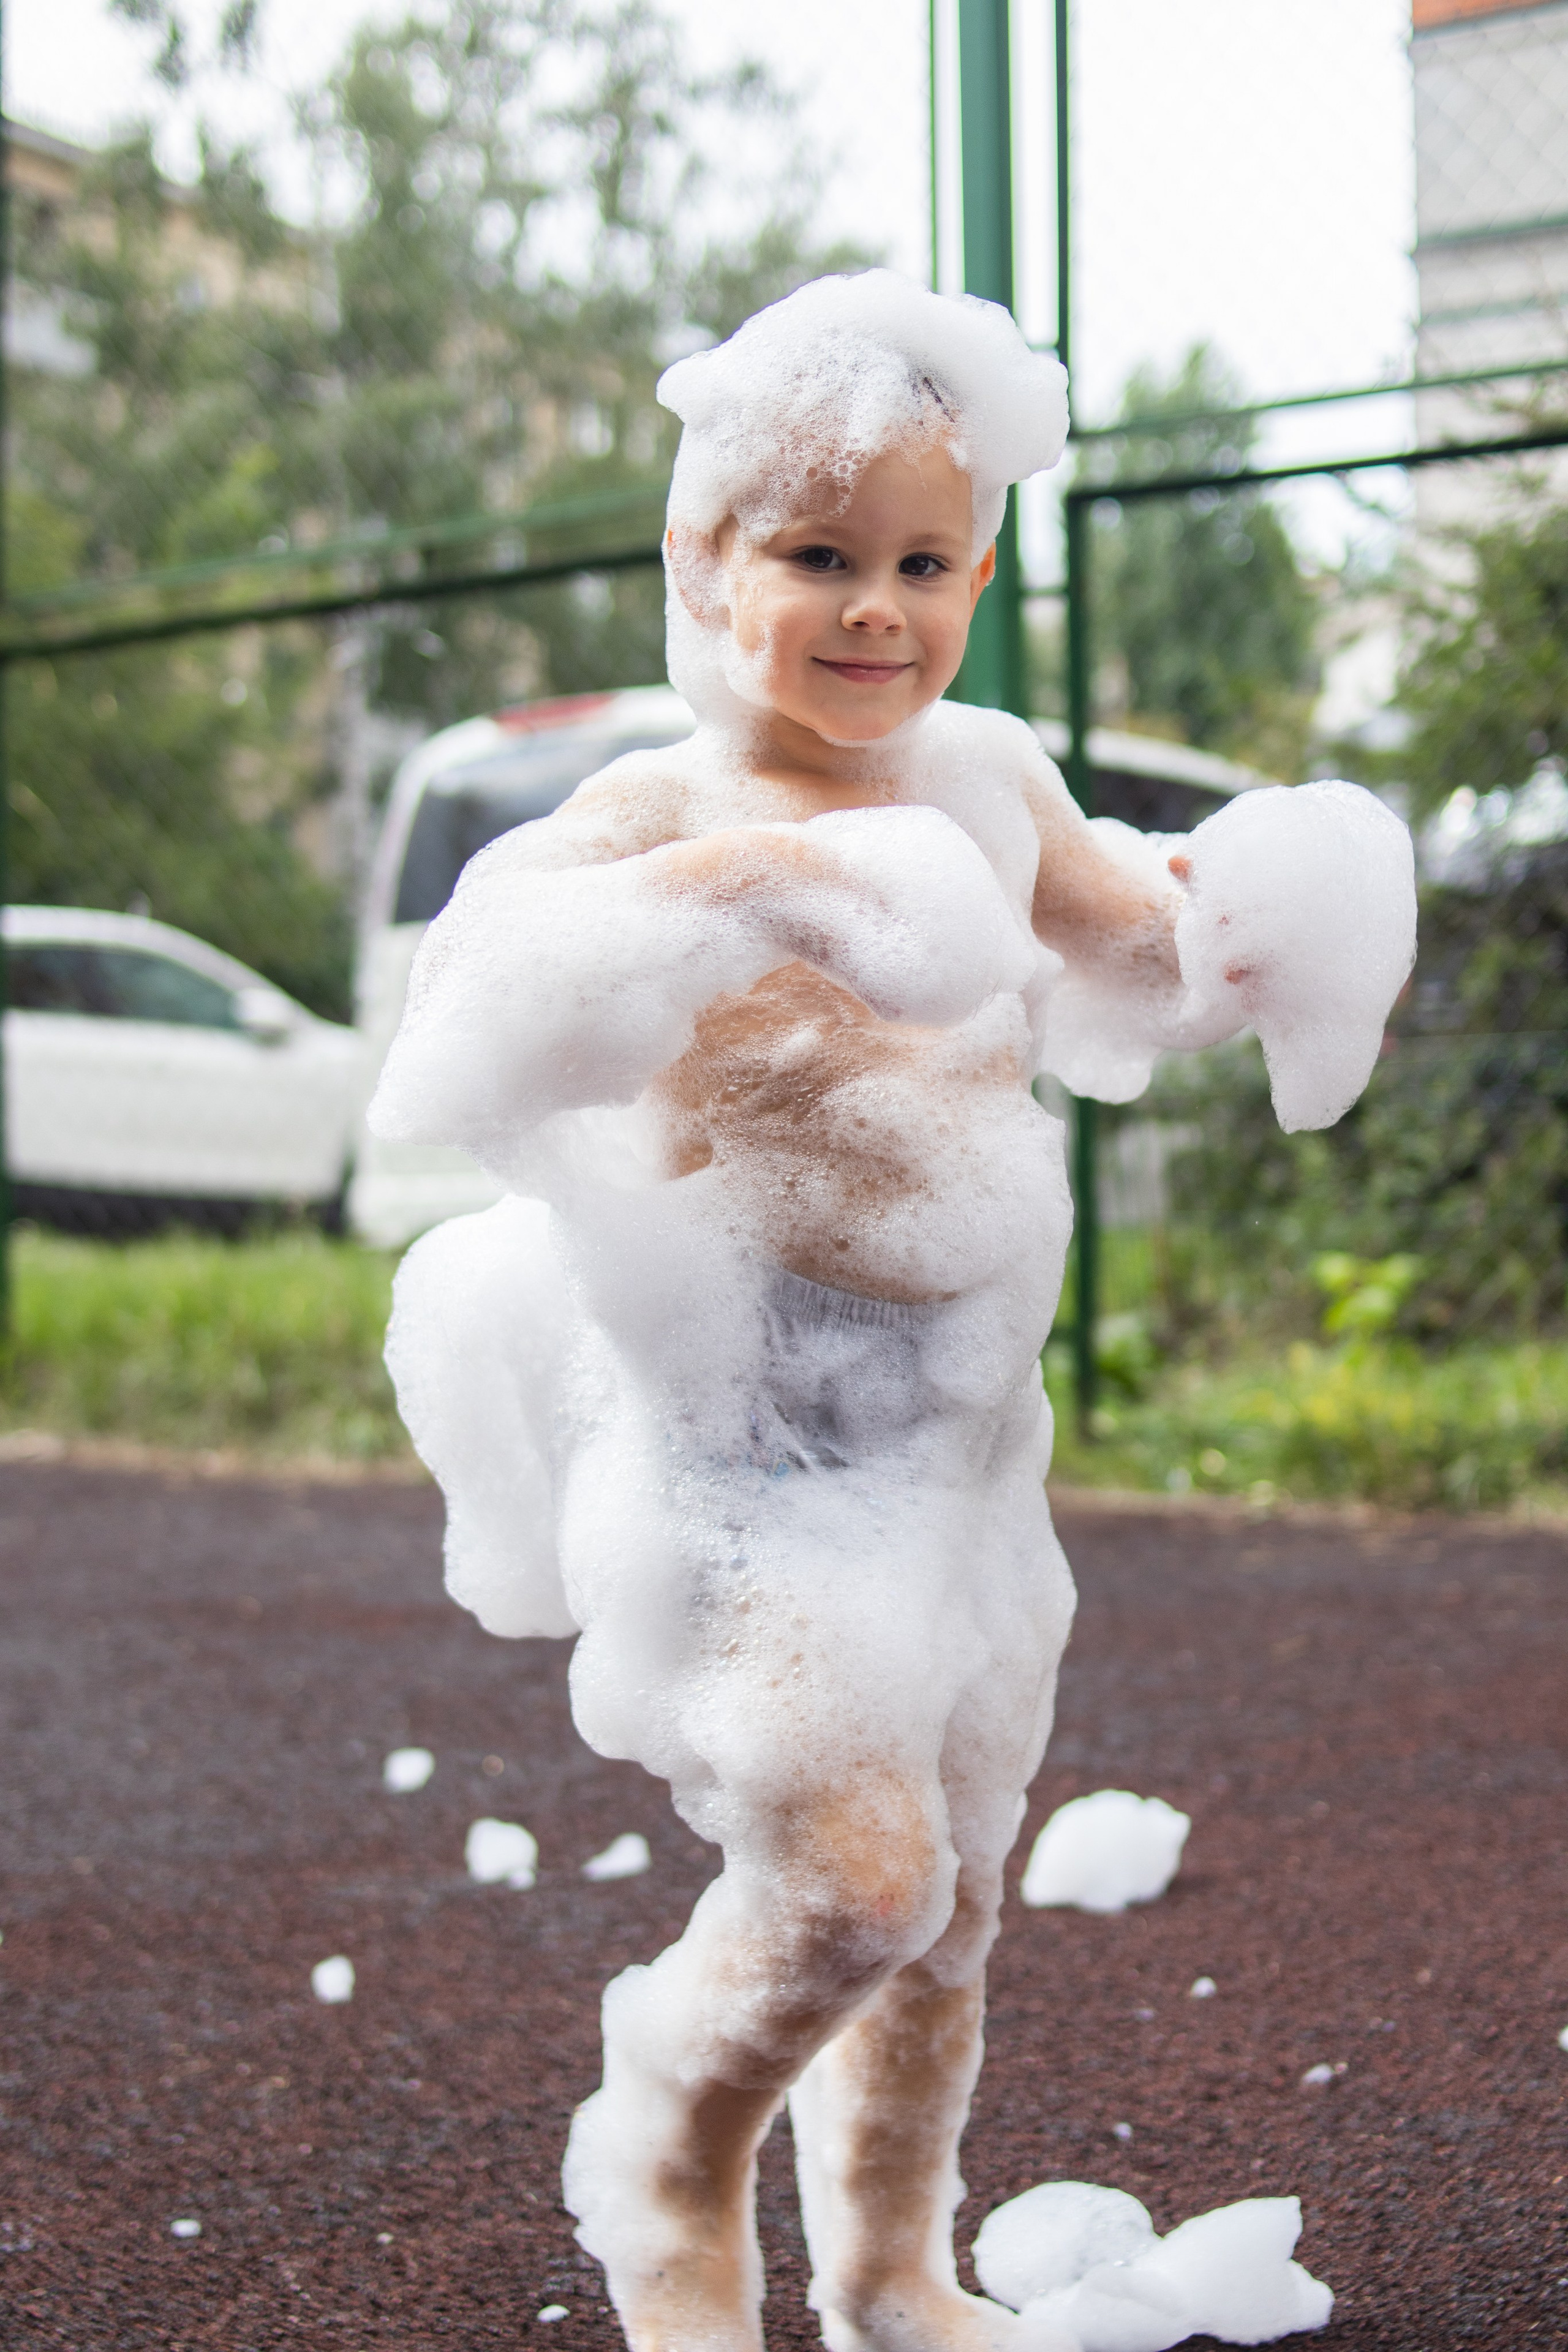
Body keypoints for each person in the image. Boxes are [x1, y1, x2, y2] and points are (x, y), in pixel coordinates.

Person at [370, 274, 1414, 2352]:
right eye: (820, 556)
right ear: (701, 560)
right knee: (857, 1879)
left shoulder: (991, 782)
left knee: (955, 1903)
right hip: (740, 1459)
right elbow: (467, 1033)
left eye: (924, 562)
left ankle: (884, 2268)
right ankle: (668, 2153)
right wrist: (754, 892)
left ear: (984, 568)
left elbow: (1151, 951)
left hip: (959, 1449)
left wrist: (1270, 932)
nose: (878, 608)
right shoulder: (652, 822)